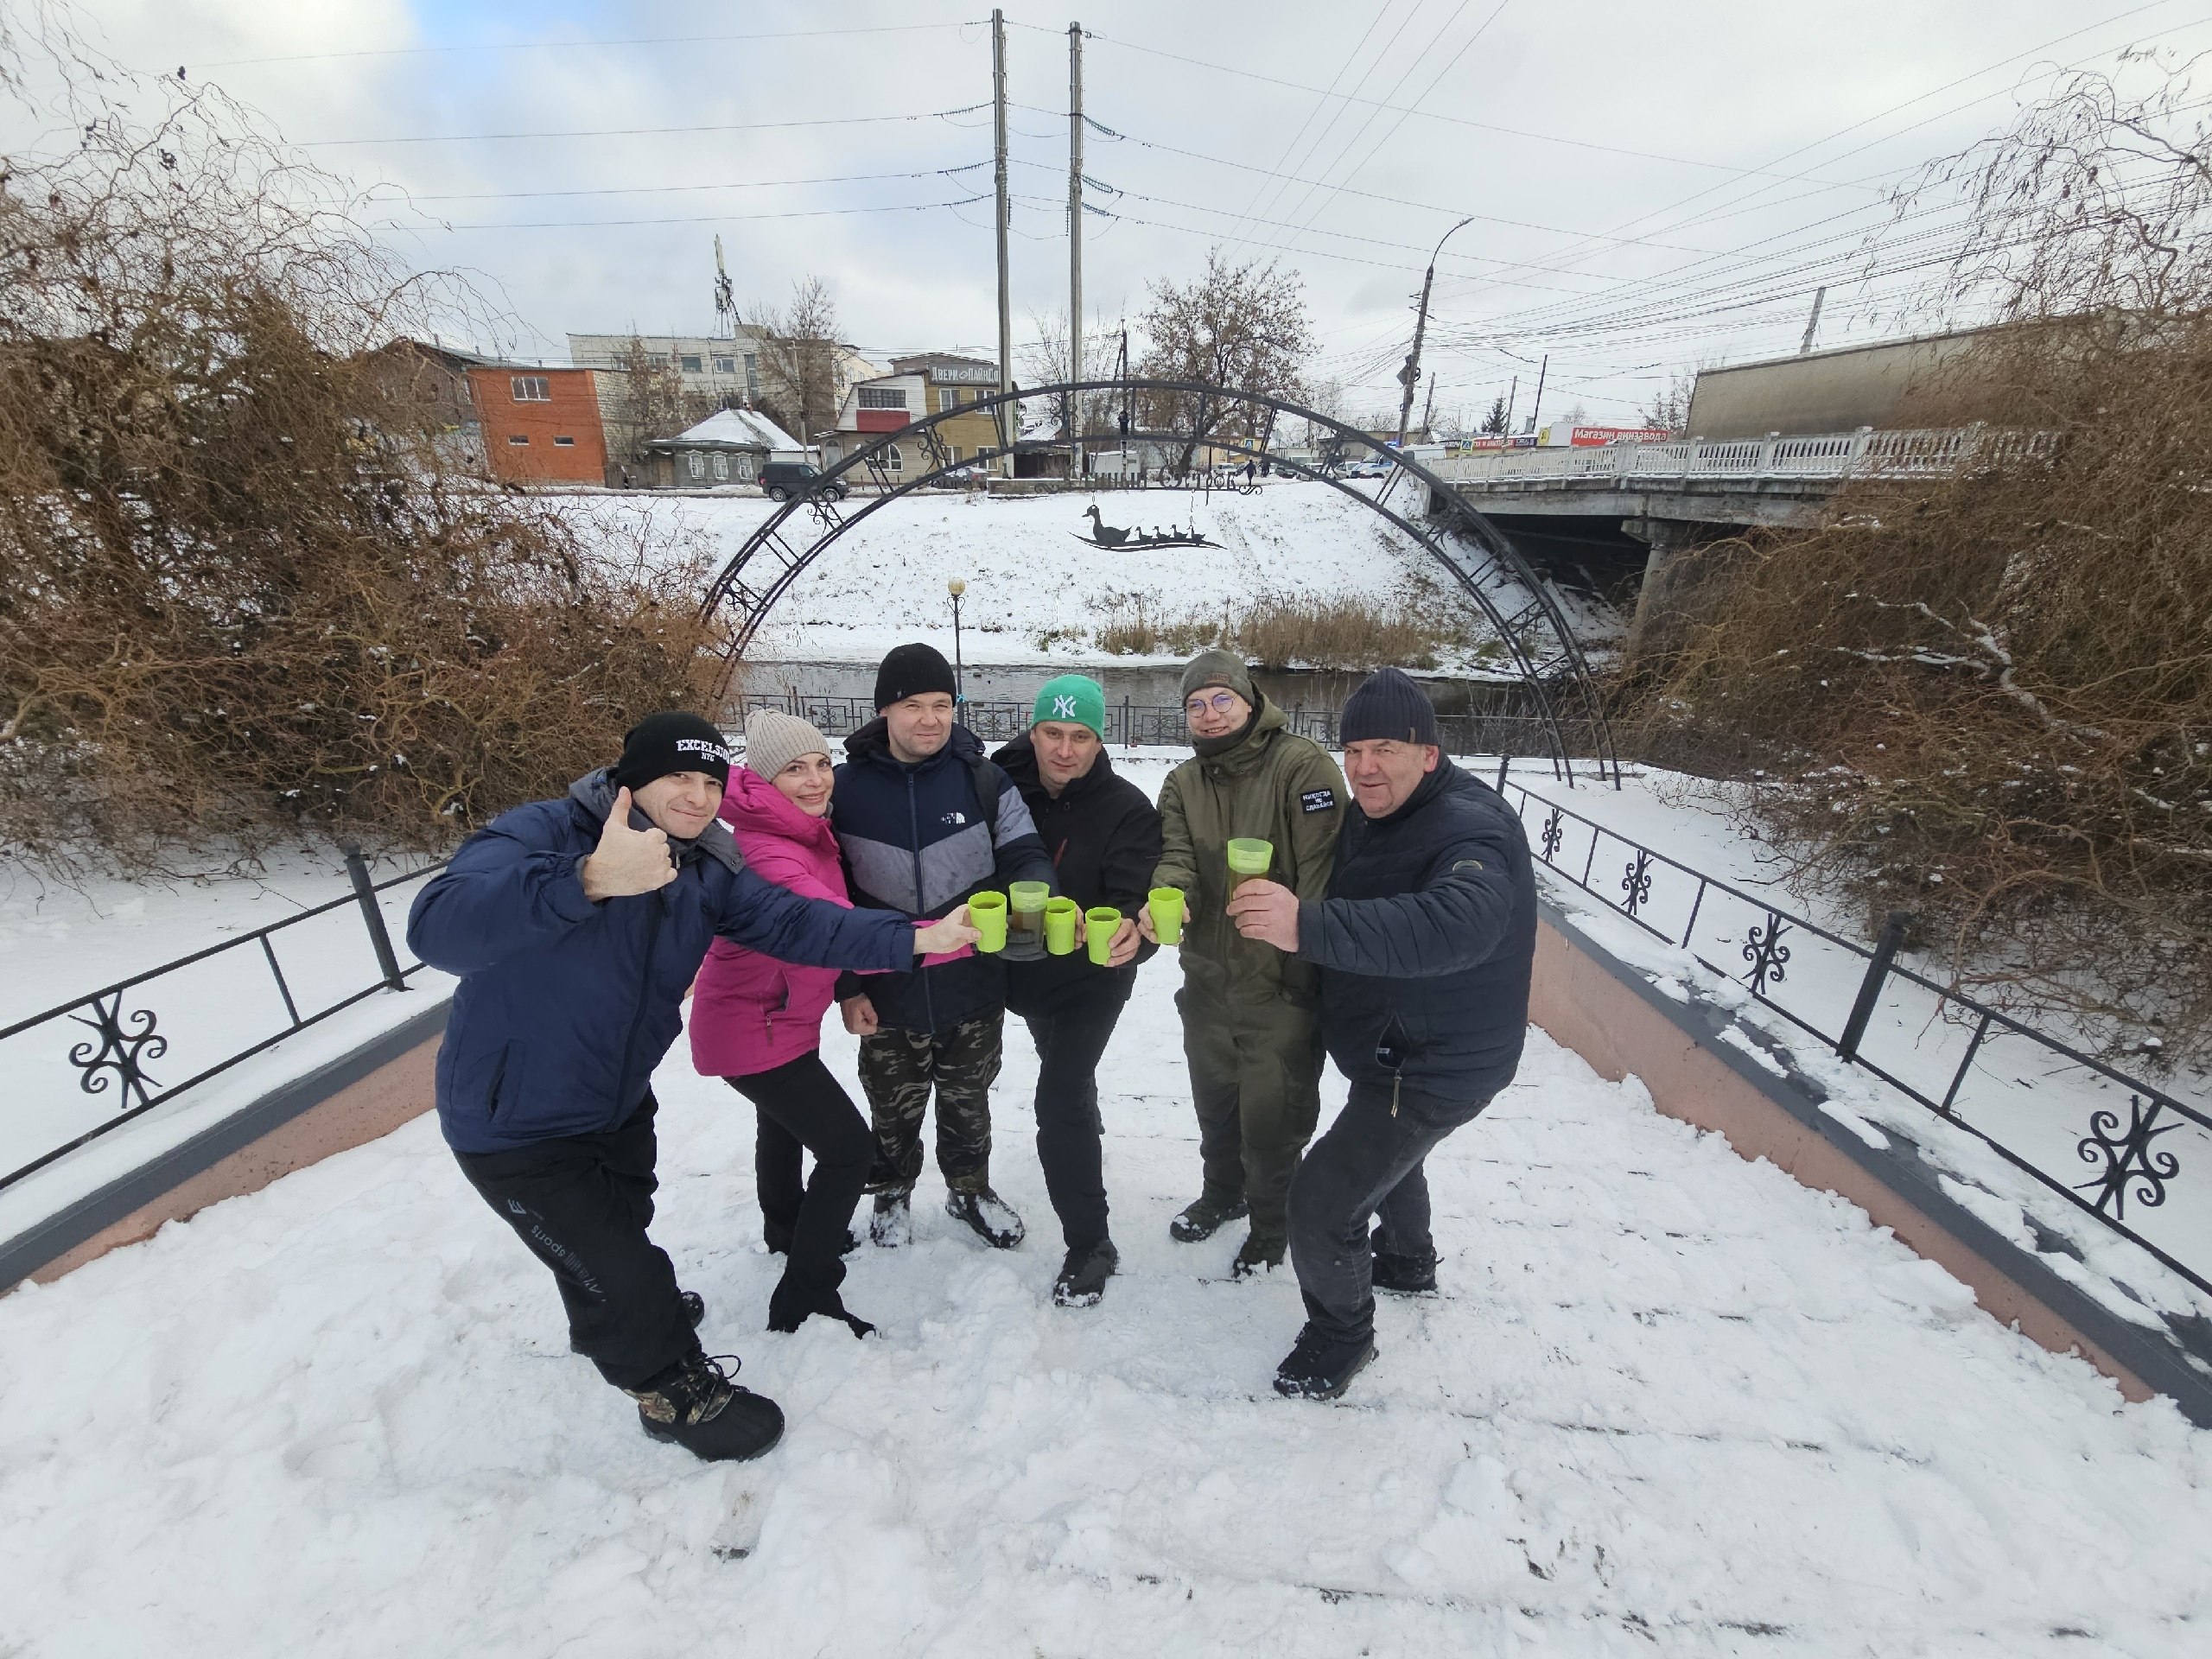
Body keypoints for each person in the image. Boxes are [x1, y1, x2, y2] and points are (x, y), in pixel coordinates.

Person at [407, 712, 978, 1462]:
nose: (699, 794)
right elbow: (435, 927)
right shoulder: (542, 834)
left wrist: (917, 938)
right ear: (630, 777)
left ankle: (606, 1315)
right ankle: (671, 1390)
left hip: (612, 1097)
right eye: (680, 775)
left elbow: (804, 925)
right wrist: (587, 880)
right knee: (625, 1269)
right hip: (513, 1118)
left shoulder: (706, 867)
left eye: (712, 779)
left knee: (620, 1224)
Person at [1224, 668, 1535, 1400]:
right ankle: (1405, 1260)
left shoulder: (1470, 827)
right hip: (1398, 1044)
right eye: (1353, 749)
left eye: (1386, 749)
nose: (1364, 768)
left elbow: (1463, 920)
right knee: (1396, 1158)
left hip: (1434, 1064)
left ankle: (1342, 1334)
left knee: (1324, 1199)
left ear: (1428, 752)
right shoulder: (1382, 810)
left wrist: (1304, 924)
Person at [833, 644, 1058, 1250]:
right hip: (887, 989)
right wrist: (848, 985)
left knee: (969, 1101)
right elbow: (830, 901)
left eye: (941, 704)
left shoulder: (984, 780)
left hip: (972, 987)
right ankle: (893, 1190)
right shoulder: (843, 791)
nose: (930, 719)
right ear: (883, 710)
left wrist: (1033, 900)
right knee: (891, 1105)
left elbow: (1025, 852)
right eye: (912, 705)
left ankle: (968, 1189)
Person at [1142, 649, 1346, 1276]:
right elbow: (1177, 855)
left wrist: (1303, 969)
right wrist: (1167, 897)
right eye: (1195, 705)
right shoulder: (1182, 784)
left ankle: (1271, 1223)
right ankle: (1222, 1196)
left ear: (1249, 700)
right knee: (1217, 1105)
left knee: (1273, 1117)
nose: (1208, 714)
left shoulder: (1301, 767)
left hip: (1279, 987)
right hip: (1206, 982)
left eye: (1221, 699)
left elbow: (1323, 875)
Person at [688, 709, 881, 1338]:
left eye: (822, 764)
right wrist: (936, 937)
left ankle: (785, 1228)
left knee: (781, 1126)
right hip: (752, 1028)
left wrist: (847, 990)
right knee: (849, 1151)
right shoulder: (765, 848)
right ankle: (805, 1295)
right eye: (795, 769)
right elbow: (833, 921)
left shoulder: (801, 830)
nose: (816, 780)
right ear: (763, 779)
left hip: (776, 1019)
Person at [993, 674, 1162, 1306]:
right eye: (1052, 733)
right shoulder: (997, 784)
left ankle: (1091, 1244)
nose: (1064, 750)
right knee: (1065, 1077)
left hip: (1092, 979)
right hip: (1017, 970)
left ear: (1099, 740)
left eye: (1080, 736)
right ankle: (1079, 1125)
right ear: (1032, 730)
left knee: (1058, 1097)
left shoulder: (1126, 808)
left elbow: (1135, 904)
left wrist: (1131, 935)